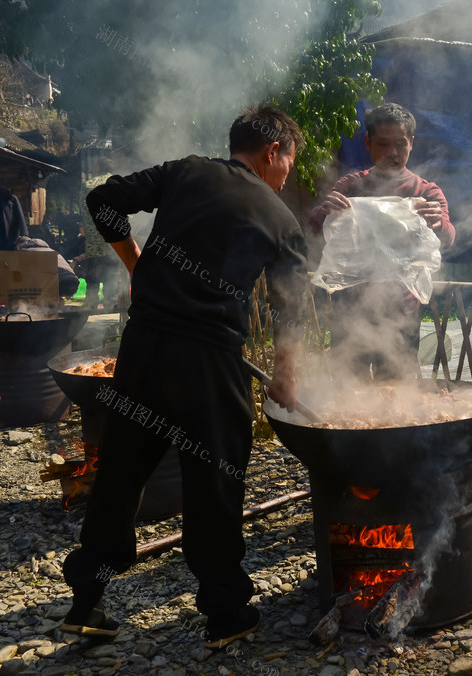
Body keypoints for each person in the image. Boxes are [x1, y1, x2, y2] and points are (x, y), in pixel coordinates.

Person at [60, 104, 308, 650]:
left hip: (144, 350)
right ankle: (225, 612)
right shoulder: (281, 219)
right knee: (215, 483)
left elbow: (103, 200)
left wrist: (136, 262)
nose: (286, 176)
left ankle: (85, 601)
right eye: (288, 163)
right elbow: (293, 311)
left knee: (122, 473)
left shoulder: (185, 170)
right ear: (272, 153)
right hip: (210, 363)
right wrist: (285, 377)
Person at [306, 102, 454, 381]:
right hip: (350, 312)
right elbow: (314, 229)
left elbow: (448, 239)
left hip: (402, 314)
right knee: (348, 391)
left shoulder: (426, 192)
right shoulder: (350, 187)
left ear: (412, 142)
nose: (392, 153)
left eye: (400, 144)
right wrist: (323, 212)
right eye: (383, 144)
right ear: (368, 143)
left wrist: (439, 223)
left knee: (396, 394)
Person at [76, 160, 129, 310]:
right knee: (111, 273)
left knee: (92, 274)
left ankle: (91, 303)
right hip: (113, 241)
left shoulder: (87, 185)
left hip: (93, 240)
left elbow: (83, 210)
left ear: (98, 168)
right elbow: (127, 210)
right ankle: (110, 304)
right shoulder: (117, 183)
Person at [14, 235, 81, 298]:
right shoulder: (52, 251)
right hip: (73, 282)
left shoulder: (25, 253)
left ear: (19, 245)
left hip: (56, 283)